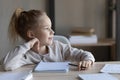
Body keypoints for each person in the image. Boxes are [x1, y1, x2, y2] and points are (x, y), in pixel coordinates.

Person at [2, 8, 95, 71]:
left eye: (51, 27)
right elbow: (7, 65)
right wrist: (28, 45)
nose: (52, 32)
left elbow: (85, 54)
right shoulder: (25, 55)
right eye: (47, 28)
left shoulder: (59, 47)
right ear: (31, 34)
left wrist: (87, 61)